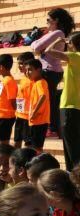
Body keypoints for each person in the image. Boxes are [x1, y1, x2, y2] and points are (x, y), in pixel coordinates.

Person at [31, 8, 76, 137]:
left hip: (50, 71)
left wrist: (40, 47)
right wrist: (39, 46)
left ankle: (52, 128)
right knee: (49, 99)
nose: (46, 23)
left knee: (47, 100)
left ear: (56, 20)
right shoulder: (55, 33)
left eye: (48, 20)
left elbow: (35, 46)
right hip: (51, 70)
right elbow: (34, 44)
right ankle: (51, 128)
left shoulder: (58, 33)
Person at [44, 31, 80, 171]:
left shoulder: (75, 56)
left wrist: (58, 41)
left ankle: (74, 177)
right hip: (76, 107)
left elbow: (48, 51)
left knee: (70, 147)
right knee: (74, 145)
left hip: (69, 107)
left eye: (69, 43)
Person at [0, 54, 19, 145]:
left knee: (3, 143)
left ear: (1, 67)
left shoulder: (9, 81)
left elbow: (12, 100)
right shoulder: (5, 80)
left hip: (6, 117)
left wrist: (16, 114)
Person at [24, 59, 50, 151]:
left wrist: (34, 112)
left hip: (40, 121)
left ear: (39, 70)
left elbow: (42, 96)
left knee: (37, 148)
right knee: (32, 147)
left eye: (30, 69)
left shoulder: (41, 82)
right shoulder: (35, 83)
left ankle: (39, 164)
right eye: (26, 70)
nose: (27, 72)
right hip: (34, 121)